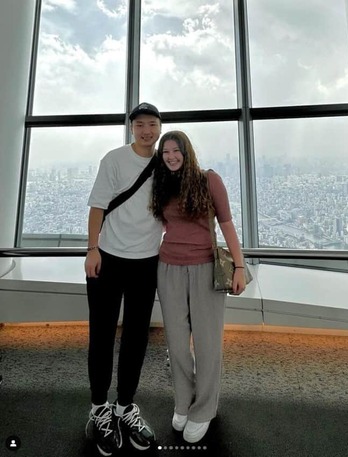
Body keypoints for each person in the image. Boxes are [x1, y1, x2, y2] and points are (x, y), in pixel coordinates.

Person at [151, 130, 246, 443]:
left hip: (205, 268)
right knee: (177, 345)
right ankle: (183, 401)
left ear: (186, 151)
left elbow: (227, 224)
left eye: (175, 150)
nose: (170, 157)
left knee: (207, 345)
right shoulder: (161, 183)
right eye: (165, 152)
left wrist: (240, 267)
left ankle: (204, 409)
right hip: (168, 268)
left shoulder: (209, 180)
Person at [84, 102, 163, 456]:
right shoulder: (114, 159)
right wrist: (92, 249)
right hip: (109, 258)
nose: (147, 130)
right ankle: (99, 408)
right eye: (140, 124)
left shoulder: (165, 163)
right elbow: (98, 206)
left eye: (152, 124)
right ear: (132, 128)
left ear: (160, 127)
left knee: (136, 338)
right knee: (101, 335)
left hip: (146, 262)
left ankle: (125, 406)